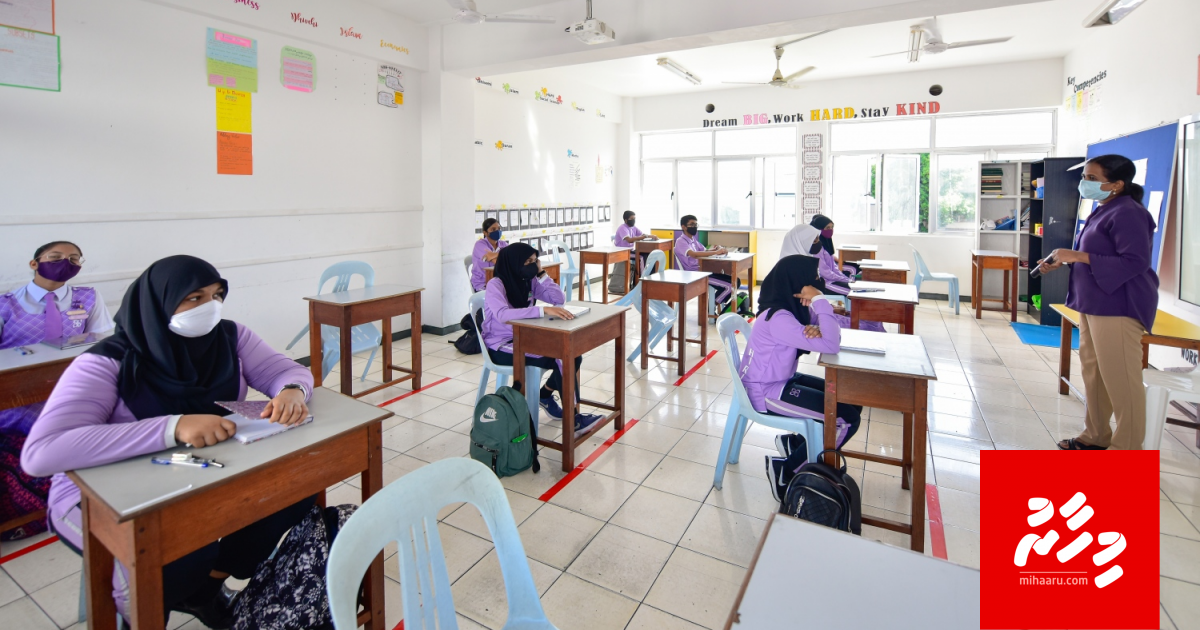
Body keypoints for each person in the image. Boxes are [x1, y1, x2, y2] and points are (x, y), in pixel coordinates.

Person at [21, 255, 316, 628]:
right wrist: (172, 428)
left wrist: (292, 390)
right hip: (99, 498)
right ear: (157, 302)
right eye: (194, 298)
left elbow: (284, 370)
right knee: (179, 552)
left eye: (216, 295)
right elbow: (42, 452)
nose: (209, 307)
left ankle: (205, 590)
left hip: (201, 474)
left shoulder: (229, 336)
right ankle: (148, 612)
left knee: (292, 492)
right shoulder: (107, 362)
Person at [1039, 155, 1159, 451]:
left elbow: (1135, 261)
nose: (1084, 183)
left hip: (1118, 305)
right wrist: (1064, 260)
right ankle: (1095, 436)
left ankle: (1127, 449)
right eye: (1085, 177)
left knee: (1121, 380)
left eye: (1092, 179)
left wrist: (1076, 256)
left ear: (1117, 184)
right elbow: (1097, 256)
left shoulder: (1129, 212)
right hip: (1093, 303)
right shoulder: (1104, 208)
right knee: (1094, 372)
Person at [0, 241, 113, 540]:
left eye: (74, 258)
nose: (66, 261)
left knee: (113, 415)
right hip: (18, 394)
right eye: (56, 257)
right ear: (34, 263)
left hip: (73, 382)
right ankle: (69, 495)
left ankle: (100, 489)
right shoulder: (6, 303)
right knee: (53, 427)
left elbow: (102, 341)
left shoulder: (87, 297)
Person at [738, 255, 863, 497]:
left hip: (780, 380)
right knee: (845, 419)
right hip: (765, 392)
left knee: (850, 401)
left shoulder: (789, 311)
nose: (816, 283)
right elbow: (831, 343)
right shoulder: (780, 319)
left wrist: (817, 312)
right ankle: (786, 471)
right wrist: (819, 300)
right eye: (812, 280)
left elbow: (832, 328)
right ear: (796, 282)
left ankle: (795, 445)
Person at [481, 243, 603, 433]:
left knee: (572, 355)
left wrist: (541, 274)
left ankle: (544, 396)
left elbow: (558, 299)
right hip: (501, 345)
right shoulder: (495, 285)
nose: (532, 265)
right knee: (561, 357)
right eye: (528, 261)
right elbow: (503, 315)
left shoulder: (526, 280)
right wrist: (542, 309)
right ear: (514, 262)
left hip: (525, 337)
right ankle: (574, 420)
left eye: (534, 260)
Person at [674, 215, 734, 310]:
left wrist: (716, 249)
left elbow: (704, 251)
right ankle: (710, 308)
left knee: (736, 281)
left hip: (704, 270)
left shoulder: (693, 240)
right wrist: (715, 252)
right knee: (730, 286)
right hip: (695, 274)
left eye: (696, 224)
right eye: (692, 224)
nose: (695, 227)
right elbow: (693, 254)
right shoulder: (681, 241)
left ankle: (712, 305)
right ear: (683, 227)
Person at [613, 211, 655, 291]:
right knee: (641, 257)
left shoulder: (633, 227)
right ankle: (642, 281)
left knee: (647, 255)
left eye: (634, 218)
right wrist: (642, 237)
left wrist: (651, 236)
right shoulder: (623, 228)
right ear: (625, 220)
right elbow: (629, 240)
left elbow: (642, 235)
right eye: (631, 219)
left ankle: (648, 278)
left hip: (630, 251)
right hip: (622, 252)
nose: (633, 220)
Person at [470, 218, 507, 292]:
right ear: (485, 233)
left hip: (499, 282)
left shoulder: (503, 244)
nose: (497, 231)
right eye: (493, 229)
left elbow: (513, 256)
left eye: (499, 228)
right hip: (482, 283)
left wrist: (494, 254)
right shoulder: (480, 244)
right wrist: (504, 256)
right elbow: (496, 262)